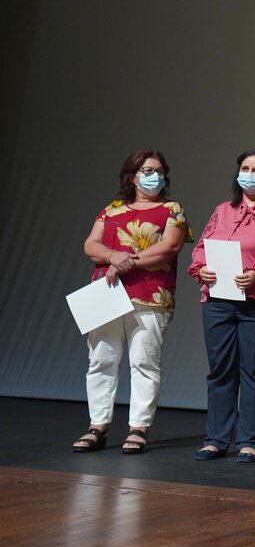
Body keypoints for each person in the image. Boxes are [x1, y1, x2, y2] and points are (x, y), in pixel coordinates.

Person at [73, 150, 191, 454]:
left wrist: (126, 262)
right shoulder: (111, 210)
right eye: (148, 170)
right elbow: (90, 245)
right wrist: (113, 256)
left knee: (144, 362)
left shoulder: (172, 209)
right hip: (107, 292)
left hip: (150, 294)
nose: (155, 176)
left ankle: (139, 427)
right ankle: (97, 426)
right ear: (132, 176)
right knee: (101, 359)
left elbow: (169, 247)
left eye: (160, 171)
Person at [189, 149, 255, 463]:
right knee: (220, 371)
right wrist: (201, 268)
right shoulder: (223, 210)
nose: (249, 174)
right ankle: (216, 439)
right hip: (220, 300)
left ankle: (249, 441)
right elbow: (201, 246)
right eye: (245, 168)